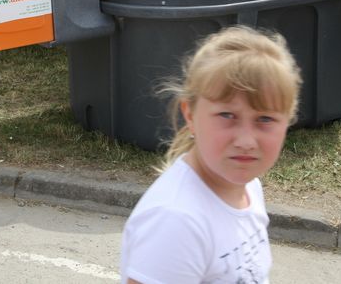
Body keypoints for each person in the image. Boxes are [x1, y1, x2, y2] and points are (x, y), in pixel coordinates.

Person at [120, 27, 301, 284]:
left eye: (265, 119)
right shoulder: (176, 221)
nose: (246, 141)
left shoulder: (248, 188)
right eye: (227, 115)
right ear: (190, 115)